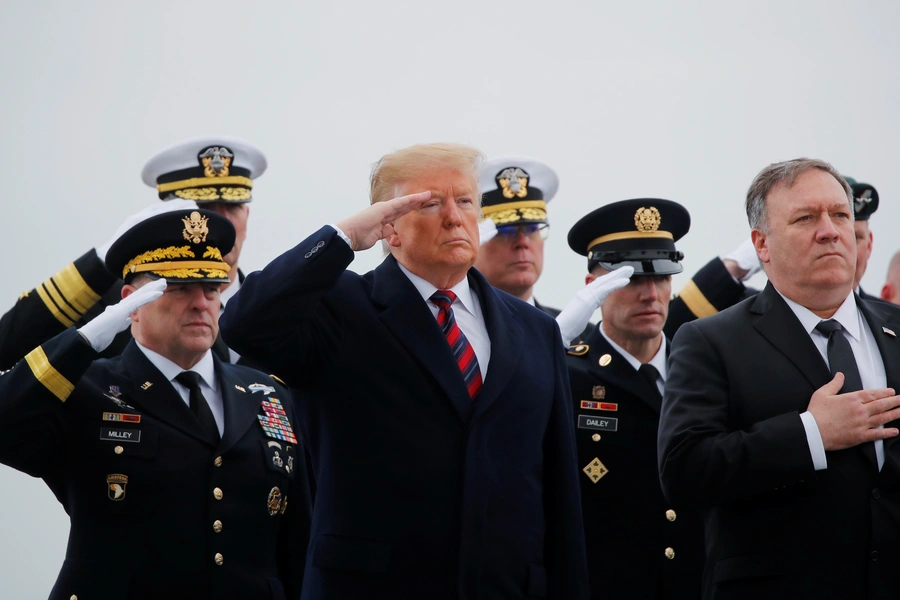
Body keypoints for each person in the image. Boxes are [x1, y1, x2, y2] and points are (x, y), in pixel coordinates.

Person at [220, 143, 589, 599]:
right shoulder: (342, 310)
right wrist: (341, 239)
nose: (454, 217)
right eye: (431, 204)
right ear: (388, 226)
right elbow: (244, 324)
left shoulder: (534, 330)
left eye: (466, 201)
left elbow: (559, 493)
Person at [0, 208, 309, 599]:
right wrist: (82, 342)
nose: (201, 302)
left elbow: (299, 540)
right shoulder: (86, 389)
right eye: (178, 288)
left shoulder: (268, 394)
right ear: (131, 302)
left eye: (212, 288)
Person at [658, 158, 900, 599]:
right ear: (762, 244)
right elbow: (685, 470)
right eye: (806, 218)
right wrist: (810, 434)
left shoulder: (896, 330)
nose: (829, 230)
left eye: (840, 215)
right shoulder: (711, 340)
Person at [565, 199, 704, 599]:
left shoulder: (703, 371)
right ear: (595, 287)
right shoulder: (567, 374)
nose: (650, 294)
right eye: (631, 280)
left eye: (661, 278)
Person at [665, 175, 881, 336]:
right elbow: (673, 325)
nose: (831, 236)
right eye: (807, 219)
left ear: (870, 244)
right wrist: (737, 265)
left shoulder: (890, 320)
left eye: (854, 234)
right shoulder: (751, 312)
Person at [474, 156, 561, 316]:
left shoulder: (576, 334)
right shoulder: (449, 330)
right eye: (504, 231)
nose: (522, 242)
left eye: (532, 229)